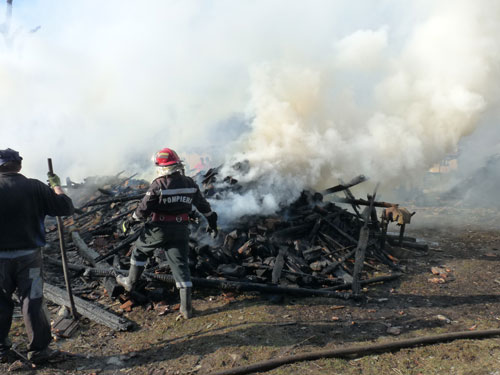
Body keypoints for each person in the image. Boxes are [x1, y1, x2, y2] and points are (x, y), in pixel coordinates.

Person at [116, 147, 217, 319]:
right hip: (181, 230)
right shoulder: (190, 183)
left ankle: (130, 283)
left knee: (140, 251)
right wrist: (212, 222)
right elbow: (204, 207)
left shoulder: (159, 184)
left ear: (161, 167)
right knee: (181, 266)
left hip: (158, 229)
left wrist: (130, 221)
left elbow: (143, 210)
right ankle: (186, 309)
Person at [0, 148, 74, 364]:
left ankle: (2, 351)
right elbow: (65, 208)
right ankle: (39, 352)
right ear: (19, 165)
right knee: (32, 301)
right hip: (29, 258)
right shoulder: (34, 186)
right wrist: (56, 186)